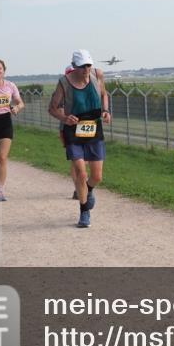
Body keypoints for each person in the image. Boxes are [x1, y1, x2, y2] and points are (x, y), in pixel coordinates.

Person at [48, 50, 111, 228]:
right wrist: (64, 118)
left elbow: (104, 94)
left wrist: (105, 111)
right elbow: (52, 108)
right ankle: (84, 212)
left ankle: (88, 190)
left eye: (88, 65)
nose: (86, 69)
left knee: (97, 176)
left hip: (94, 128)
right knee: (82, 173)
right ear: (74, 66)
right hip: (73, 131)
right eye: (82, 66)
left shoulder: (97, 75)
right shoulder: (64, 83)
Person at [0, 59, 24, 201]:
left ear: (4, 70)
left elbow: (20, 102)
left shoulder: (10, 85)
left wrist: (16, 108)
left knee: (2, 157)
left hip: (5, 123)